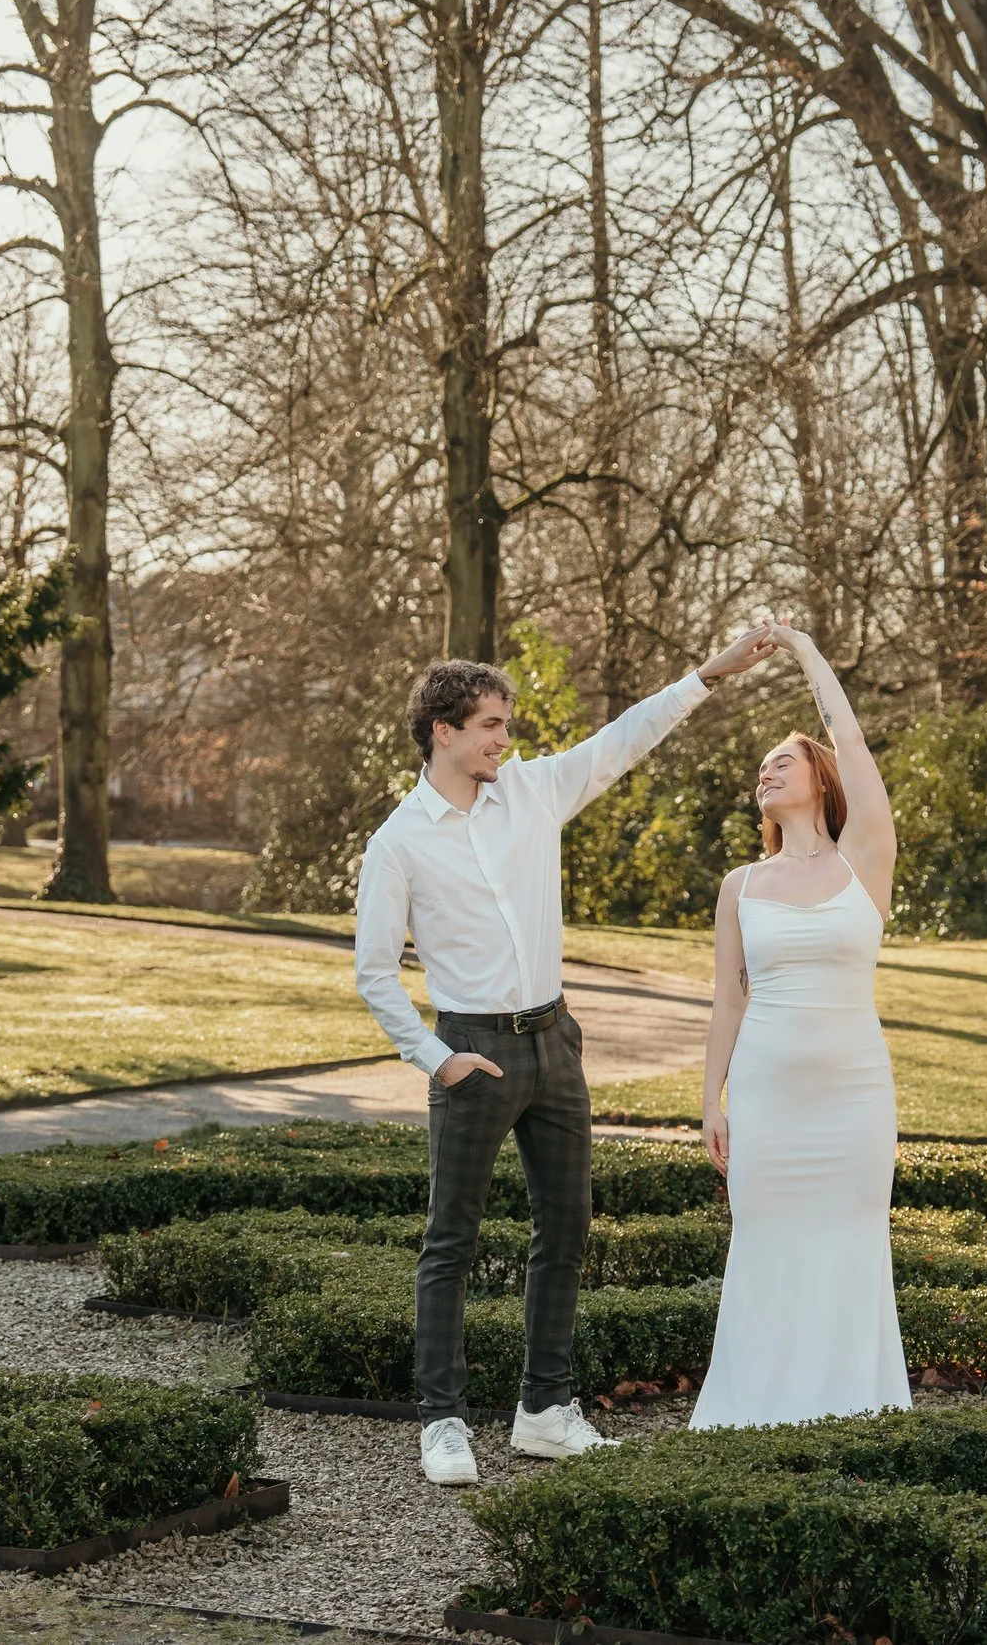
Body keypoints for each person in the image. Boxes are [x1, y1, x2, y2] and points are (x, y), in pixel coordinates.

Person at [354, 625, 781, 1486]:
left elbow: (624, 737)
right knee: (451, 1239)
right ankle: (442, 1421)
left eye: (505, 724)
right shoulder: (398, 842)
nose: (505, 740)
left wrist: (709, 674)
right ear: (442, 730)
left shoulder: (534, 792)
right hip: (471, 1048)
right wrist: (438, 1059)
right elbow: (373, 974)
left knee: (568, 1225)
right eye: (490, 726)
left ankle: (544, 1410)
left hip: (555, 1041)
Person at [690, 616, 908, 1428]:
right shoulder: (740, 883)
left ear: (818, 777)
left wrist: (807, 651)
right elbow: (729, 999)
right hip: (766, 1102)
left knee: (851, 1247)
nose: (765, 772)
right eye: (759, 768)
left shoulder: (866, 860)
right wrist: (710, 1100)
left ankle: (856, 1413)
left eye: (781, 760)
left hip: (853, 1099)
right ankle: (750, 1417)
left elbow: (849, 736)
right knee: (767, 1249)